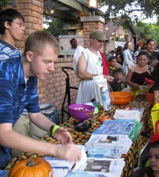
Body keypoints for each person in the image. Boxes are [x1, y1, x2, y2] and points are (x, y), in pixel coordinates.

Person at [0, 30, 82, 168]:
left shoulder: (31, 76)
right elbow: (4, 134)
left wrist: (55, 129)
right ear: (30, 56)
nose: (52, 68)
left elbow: (35, 114)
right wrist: (55, 150)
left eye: (53, 62)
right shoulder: (4, 75)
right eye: (47, 62)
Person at [75, 30, 109, 104]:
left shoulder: (99, 54)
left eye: (103, 41)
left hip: (99, 87)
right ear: (92, 40)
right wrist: (99, 76)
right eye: (99, 41)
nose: (102, 43)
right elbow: (81, 73)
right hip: (88, 88)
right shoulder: (85, 53)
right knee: (88, 111)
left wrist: (106, 77)